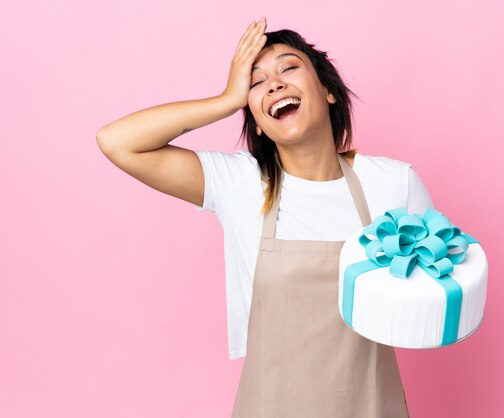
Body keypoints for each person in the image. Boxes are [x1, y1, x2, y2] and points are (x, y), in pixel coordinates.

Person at [96, 16, 433, 417]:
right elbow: (117, 143)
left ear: (327, 91)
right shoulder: (240, 183)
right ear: (255, 117)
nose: (274, 83)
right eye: (257, 82)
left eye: (289, 68)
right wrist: (226, 99)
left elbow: (435, 292)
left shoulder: (394, 184)